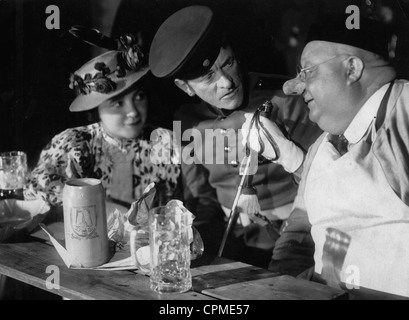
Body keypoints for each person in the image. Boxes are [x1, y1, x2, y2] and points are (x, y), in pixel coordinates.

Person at [148, 5, 322, 268]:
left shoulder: (287, 101)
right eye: (208, 77)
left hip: (297, 236)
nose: (227, 82)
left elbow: (323, 180)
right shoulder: (185, 121)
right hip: (230, 241)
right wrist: (199, 234)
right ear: (185, 87)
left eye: (228, 63)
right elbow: (203, 196)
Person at [251, 14, 409, 297]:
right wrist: (277, 289)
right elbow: (297, 240)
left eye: (307, 71)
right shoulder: (319, 148)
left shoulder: (404, 113)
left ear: (352, 69)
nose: (292, 87)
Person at [23, 34, 181, 209]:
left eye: (139, 96)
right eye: (117, 103)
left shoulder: (166, 142)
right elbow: (34, 190)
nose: (133, 112)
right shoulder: (75, 144)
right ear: (97, 109)